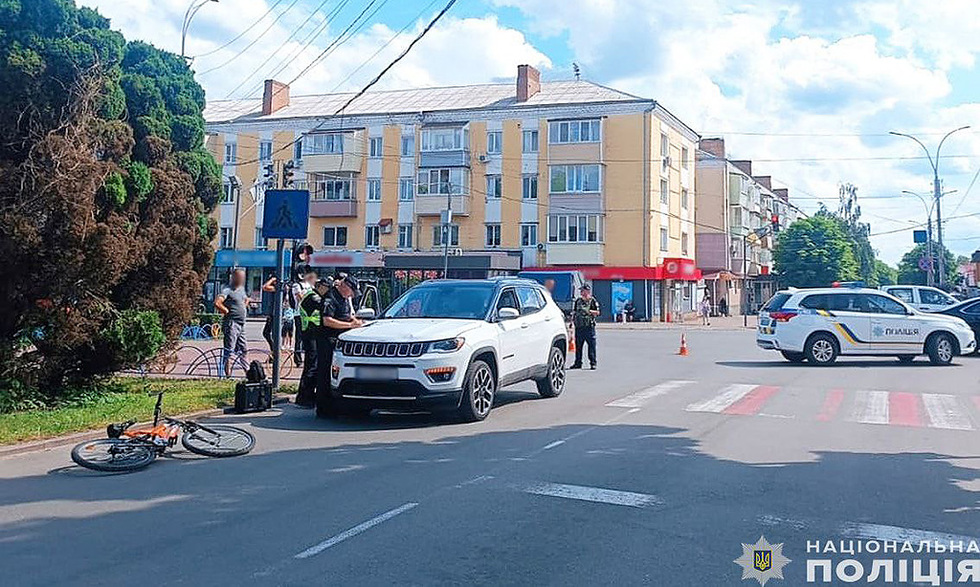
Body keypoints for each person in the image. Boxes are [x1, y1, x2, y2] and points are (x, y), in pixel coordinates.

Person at [316, 273, 363, 418]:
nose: (352, 295)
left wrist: (356, 322)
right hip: (327, 340)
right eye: (352, 291)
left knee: (334, 375)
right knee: (325, 373)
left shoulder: (343, 298)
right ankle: (323, 408)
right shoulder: (331, 297)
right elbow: (327, 320)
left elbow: (346, 314)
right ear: (344, 286)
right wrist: (350, 325)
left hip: (338, 341)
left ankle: (334, 405)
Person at [295, 277, 328, 408]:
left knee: (312, 365)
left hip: (312, 333)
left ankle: (306, 395)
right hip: (310, 333)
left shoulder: (313, 295)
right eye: (326, 288)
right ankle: (304, 396)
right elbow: (323, 306)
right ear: (321, 287)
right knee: (311, 366)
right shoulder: (313, 297)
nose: (327, 291)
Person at [214, 268, 251, 378]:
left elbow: (244, 299)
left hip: (241, 324)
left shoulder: (241, 289)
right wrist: (225, 310)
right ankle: (227, 375)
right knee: (229, 350)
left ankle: (248, 373)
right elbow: (217, 302)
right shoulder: (227, 290)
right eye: (240, 277)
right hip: (232, 323)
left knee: (244, 350)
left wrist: (247, 302)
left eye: (243, 277)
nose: (241, 280)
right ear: (234, 277)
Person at [290, 266, 315, 367]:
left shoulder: (309, 285)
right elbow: (300, 297)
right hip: (300, 314)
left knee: (310, 337)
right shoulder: (297, 285)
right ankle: (298, 359)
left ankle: (309, 358)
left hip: (310, 314)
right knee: (299, 337)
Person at [571, 284, 600, 370]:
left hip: (589, 327)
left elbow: (598, 312)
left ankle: (593, 363)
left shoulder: (592, 301)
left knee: (591, 346)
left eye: (583, 291)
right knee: (578, 346)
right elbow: (575, 312)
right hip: (579, 327)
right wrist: (572, 323)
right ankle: (578, 363)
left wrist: (589, 311)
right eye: (581, 291)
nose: (581, 292)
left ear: (587, 291)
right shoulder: (578, 301)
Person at [260, 274, 279, 358]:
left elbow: (264, 287)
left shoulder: (277, 288)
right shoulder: (276, 288)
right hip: (272, 313)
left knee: (270, 334)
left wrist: (272, 279)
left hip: (275, 314)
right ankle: (273, 352)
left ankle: (275, 353)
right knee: (267, 333)